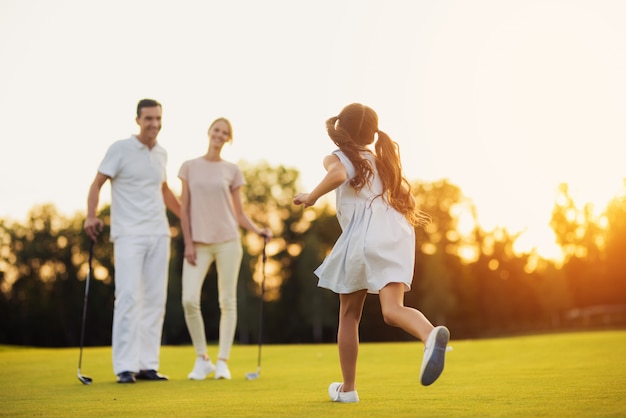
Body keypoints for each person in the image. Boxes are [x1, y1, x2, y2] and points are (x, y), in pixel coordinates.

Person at [293, 103, 450, 403]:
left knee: (349, 315)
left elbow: (338, 175)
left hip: (365, 235)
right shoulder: (383, 161)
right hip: (397, 232)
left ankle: (348, 389)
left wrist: (311, 197)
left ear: (343, 130)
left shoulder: (340, 157)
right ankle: (430, 336)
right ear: (371, 132)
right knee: (392, 310)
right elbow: (403, 198)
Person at [84, 98, 181, 384]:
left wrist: (188, 220)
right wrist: (91, 216)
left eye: (158, 119)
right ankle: (124, 366)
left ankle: (147, 365)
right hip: (128, 234)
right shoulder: (120, 149)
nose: (154, 124)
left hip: (159, 233)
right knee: (128, 297)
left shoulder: (162, 153)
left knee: (155, 299)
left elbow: (164, 191)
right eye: (149, 118)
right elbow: (97, 183)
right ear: (137, 120)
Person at [178, 117, 272, 381]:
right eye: (216, 130)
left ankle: (222, 361)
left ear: (228, 139)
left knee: (227, 301)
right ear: (209, 132)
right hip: (197, 243)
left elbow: (239, 213)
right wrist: (187, 242)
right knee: (188, 300)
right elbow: (183, 208)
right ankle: (202, 359)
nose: (219, 135)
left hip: (228, 241)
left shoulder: (232, 170)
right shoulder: (189, 167)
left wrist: (257, 231)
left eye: (225, 132)